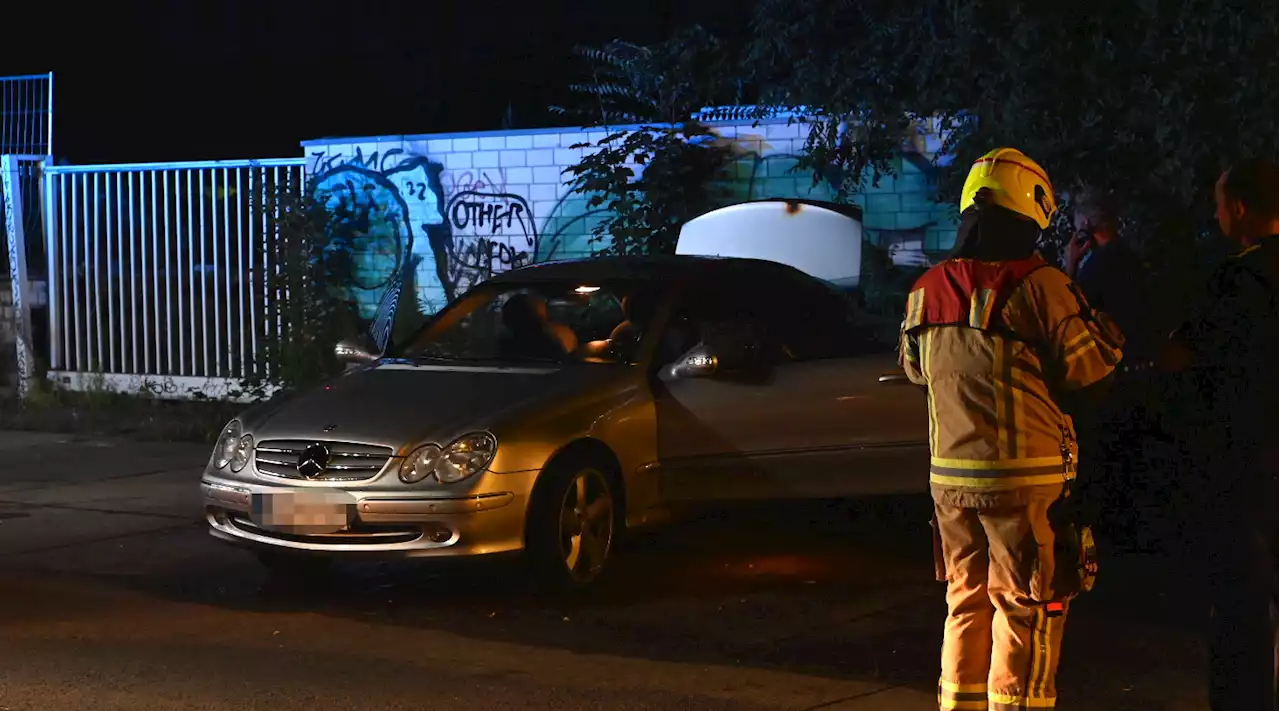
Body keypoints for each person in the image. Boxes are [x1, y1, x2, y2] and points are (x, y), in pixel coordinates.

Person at [899, 147, 1125, 711]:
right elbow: (1090, 372)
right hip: (1025, 485)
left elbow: (913, 370)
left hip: (949, 483)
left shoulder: (927, 288)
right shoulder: (1042, 286)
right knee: (1029, 610)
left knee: (965, 603)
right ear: (1031, 213)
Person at [1164, 157, 1280, 711]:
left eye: (1217, 203)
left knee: (1242, 607)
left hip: (1248, 467)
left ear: (1238, 208)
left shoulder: (1233, 281)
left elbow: (1180, 357)